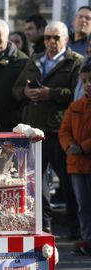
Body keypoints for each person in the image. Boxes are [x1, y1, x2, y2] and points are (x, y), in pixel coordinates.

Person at [14, 21, 83, 237]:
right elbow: (15, 89)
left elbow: (77, 93)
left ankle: (75, 227)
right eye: (47, 38)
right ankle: (44, 225)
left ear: (66, 39)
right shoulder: (35, 60)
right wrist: (25, 92)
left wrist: (49, 94)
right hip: (35, 132)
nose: (51, 42)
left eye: (56, 38)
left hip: (60, 130)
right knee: (37, 183)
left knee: (68, 182)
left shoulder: (76, 62)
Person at [59, 63, 91, 255]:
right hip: (76, 164)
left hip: (84, 158)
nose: (88, 85)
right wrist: (69, 146)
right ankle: (87, 239)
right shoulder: (76, 105)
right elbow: (64, 130)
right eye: (84, 81)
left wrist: (82, 147)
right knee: (83, 205)